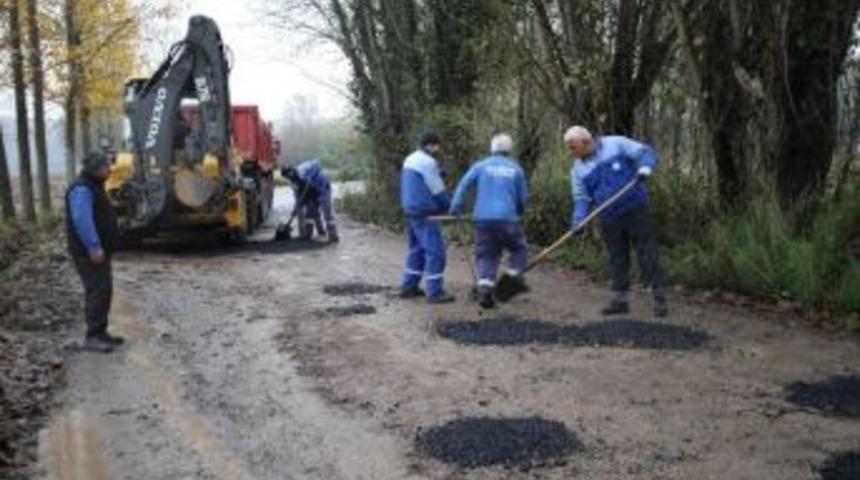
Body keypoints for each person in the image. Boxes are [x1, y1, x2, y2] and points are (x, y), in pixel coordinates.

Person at [565, 125, 668, 317]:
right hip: (609, 217)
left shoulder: (616, 144)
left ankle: (658, 298)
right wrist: (578, 218)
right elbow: (581, 198)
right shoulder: (577, 170)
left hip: (636, 210)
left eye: (572, 147)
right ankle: (620, 301)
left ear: (586, 142)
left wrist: (645, 166)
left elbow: (645, 152)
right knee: (617, 259)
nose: (570, 152)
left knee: (647, 252)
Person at [450, 133, 529, 309]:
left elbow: (464, 184)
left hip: (483, 220)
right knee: (519, 250)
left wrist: (455, 207)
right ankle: (511, 280)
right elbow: (523, 198)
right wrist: (519, 211)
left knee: (487, 255)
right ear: (509, 150)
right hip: (508, 220)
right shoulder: (516, 169)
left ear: (492, 149)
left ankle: (485, 291)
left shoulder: (480, 166)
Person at [66, 152, 124, 353]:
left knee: (104, 290)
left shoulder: (94, 186)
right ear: (95, 169)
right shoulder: (82, 189)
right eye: (106, 167)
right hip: (89, 252)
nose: (109, 170)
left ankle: (101, 332)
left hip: (99, 251)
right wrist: (94, 246)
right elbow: (82, 219)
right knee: (97, 291)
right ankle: (92, 336)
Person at [399, 130, 455, 304]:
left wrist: (438, 173)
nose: (438, 149)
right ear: (431, 145)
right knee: (436, 252)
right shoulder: (428, 161)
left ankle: (409, 287)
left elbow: (420, 181)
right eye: (437, 145)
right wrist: (452, 207)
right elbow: (437, 191)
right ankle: (435, 292)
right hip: (425, 212)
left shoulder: (410, 158)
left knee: (417, 249)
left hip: (410, 209)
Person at [281, 159, 339, 242]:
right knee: (310, 213)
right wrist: (295, 209)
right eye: (287, 176)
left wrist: (309, 177)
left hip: (322, 190)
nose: (290, 176)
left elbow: (318, 163)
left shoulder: (303, 170)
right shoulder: (294, 183)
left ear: (292, 169)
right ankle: (308, 235)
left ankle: (333, 236)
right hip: (309, 194)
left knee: (327, 214)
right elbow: (298, 199)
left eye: (290, 173)